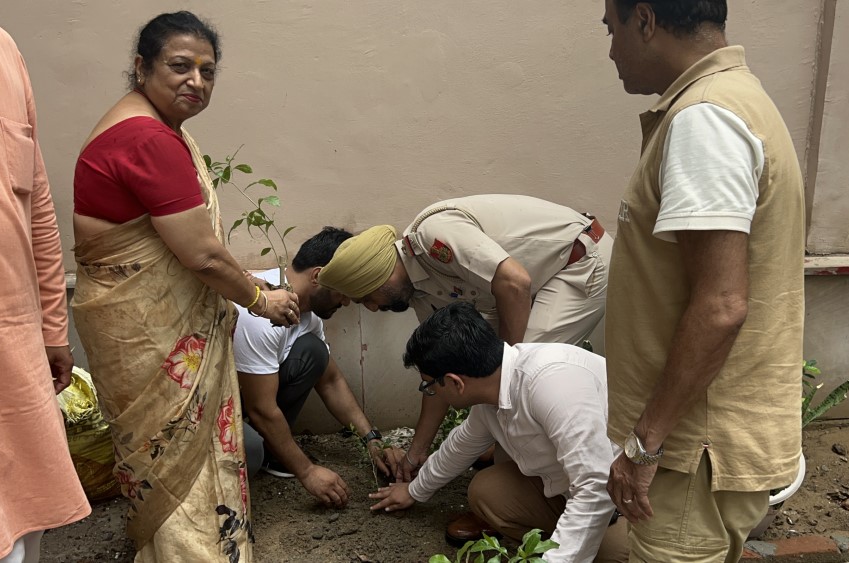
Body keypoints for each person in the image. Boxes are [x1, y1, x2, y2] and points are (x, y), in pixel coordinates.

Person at [70, 12, 300, 562]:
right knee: (176, 454)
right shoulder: (148, 139)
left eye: (207, 71)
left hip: (138, 327)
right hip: (149, 330)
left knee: (161, 454)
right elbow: (199, 254)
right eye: (180, 66)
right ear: (141, 66)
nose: (196, 80)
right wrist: (260, 299)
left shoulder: (149, 127)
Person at [600, 1, 806, 561]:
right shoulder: (736, 99)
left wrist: (645, 445)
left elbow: (721, 305)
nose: (611, 51)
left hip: (692, 449)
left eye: (612, 29)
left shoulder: (704, 118)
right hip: (700, 445)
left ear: (644, 20)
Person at [318, 194, 613, 476]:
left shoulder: (431, 236)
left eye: (365, 298)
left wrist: (505, 366)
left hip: (576, 263)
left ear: (378, 277)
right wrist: (416, 452)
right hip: (521, 288)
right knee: (495, 377)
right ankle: (501, 456)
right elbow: (439, 372)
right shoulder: (419, 294)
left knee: (517, 378)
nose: (371, 308)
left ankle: (515, 483)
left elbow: (514, 282)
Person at [0, 9, 91, 563]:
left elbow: (36, 200)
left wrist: (50, 327)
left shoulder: (0, 46)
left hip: (14, 347)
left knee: (27, 522)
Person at [369, 302, 628, 563]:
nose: (430, 392)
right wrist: (414, 490)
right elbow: (459, 446)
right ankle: (562, 543)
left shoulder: (550, 384)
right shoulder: (494, 391)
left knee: (613, 554)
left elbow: (595, 484)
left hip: (624, 499)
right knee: (487, 491)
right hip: (568, 489)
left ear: (456, 383)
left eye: (429, 385)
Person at [234, 227, 403, 507]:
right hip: (212, 409)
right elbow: (261, 409)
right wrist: (307, 471)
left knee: (313, 351)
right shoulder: (261, 312)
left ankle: (274, 451)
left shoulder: (306, 317)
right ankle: (259, 449)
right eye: (342, 293)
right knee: (248, 454)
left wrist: (372, 440)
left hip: (248, 397)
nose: (347, 302)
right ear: (317, 276)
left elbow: (331, 380)